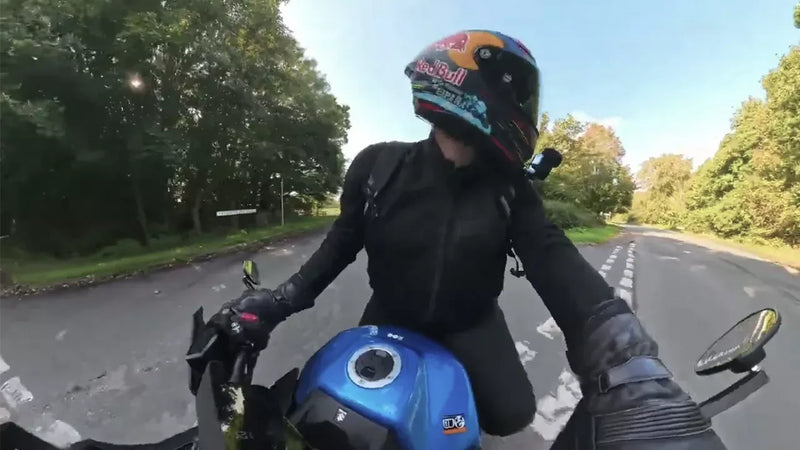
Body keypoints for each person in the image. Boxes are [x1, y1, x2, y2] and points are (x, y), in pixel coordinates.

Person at [212, 30, 727, 448]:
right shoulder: (377, 166)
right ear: (472, 85)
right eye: (518, 93)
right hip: (390, 315)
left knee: (512, 414)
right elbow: (338, 247)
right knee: (344, 420)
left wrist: (627, 357)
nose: (525, 107)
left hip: (472, 322)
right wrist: (275, 304)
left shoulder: (510, 188)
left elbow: (550, 255)